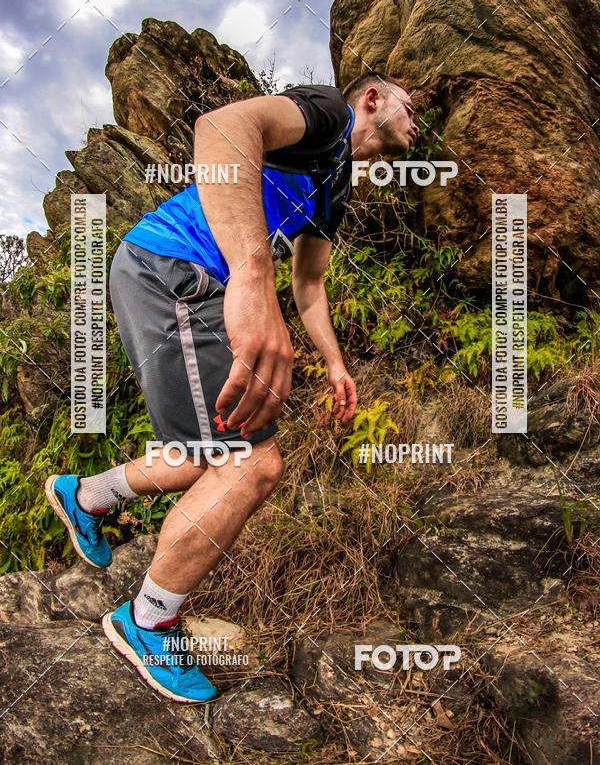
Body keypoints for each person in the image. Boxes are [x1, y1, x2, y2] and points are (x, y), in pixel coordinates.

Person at [45, 71, 419, 703]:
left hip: (172, 274)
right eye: (411, 104)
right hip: (175, 268)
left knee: (205, 454)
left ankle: (85, 495)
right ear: (373, 100)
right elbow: (219, 128)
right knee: (251, 463)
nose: (418, 119)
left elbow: (310, 286)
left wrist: (334, 363)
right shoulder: (326, 113)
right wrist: (250, 273)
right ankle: (148, 622)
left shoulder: (336, 187)